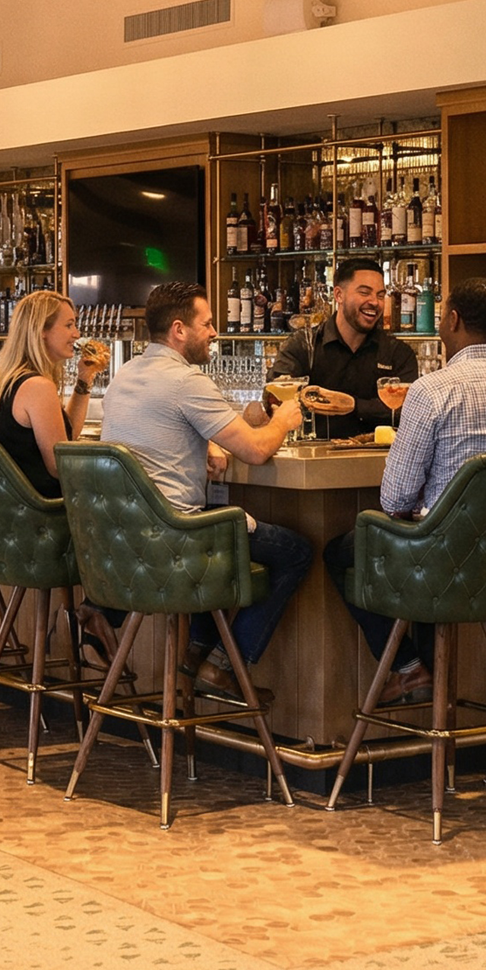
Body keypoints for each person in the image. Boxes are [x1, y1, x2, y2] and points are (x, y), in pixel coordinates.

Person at [324, 277, 486, 705]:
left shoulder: (432, 391)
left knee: (342, 552)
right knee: (428, 536)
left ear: (453, 319)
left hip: (441, 560)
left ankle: (410, 668)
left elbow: (394, 500)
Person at [99, 281, 310, 700]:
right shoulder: (187, 381)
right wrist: (284, 420)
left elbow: (166, 429)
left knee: (215, 539)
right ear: (179, 330)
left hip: (126, 542)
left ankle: (197, 652)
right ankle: (221, 665)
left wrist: (207, 442)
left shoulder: (126, 375)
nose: (215, 332)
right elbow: (255, 450)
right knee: (296, 552)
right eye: (207, 323)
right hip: (176, 540)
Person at [266, 257, 419, 438]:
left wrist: (353, 405)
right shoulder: (303, 346)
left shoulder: (398, 353)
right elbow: (274, 400)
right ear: (339, 295)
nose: (375, 302)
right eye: (364, 293)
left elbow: (410, 413)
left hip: (379, 456)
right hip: (314, 454)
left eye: (380, 295)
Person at [0, 290, 108, 498]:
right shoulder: (38, 387)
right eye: (68, 325)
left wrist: (84, 379)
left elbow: (68, 436)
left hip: (16, 506)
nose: (77, 334)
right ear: (41, 330)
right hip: (44, 509)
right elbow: (58, 466)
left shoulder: (14, 380)